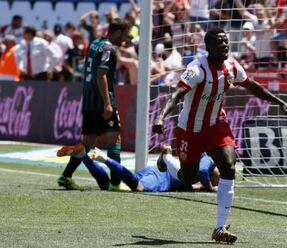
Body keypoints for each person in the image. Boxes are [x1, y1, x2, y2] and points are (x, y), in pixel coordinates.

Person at [152, 27, 287, 244]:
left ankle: (220, 228)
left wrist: (280, 103)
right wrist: (161, 116)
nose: (225, 46)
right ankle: (165, 159)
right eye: (219, 43)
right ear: (208, 48)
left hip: (217, 125)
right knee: (188, 179)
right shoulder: (197, 69)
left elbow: (252, 86)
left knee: (229, 166)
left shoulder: (231, 66)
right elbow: (177, 94)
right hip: (190, 130)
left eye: (226, 42)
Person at [57, 18, 130, 191]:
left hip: (89, 99)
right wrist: (107, 103)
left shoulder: (95, 43)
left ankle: (66, 176)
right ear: (118, 32)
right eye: (125, 35)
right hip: (102, 99)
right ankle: (115, 184)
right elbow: (101, 75)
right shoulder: (109, 49)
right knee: (115, 139)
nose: (125, 40)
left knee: (87, 142)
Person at [56, 144, 219, 192]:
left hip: (155, 171)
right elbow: (205, 172)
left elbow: (192, 185)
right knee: (138, 187)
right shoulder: (208, 163)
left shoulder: (197, 174)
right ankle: (103, 158)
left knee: (109, 187)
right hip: (163, 177)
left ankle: (84, 154)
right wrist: (211, 187)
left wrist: (204, 186)